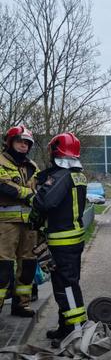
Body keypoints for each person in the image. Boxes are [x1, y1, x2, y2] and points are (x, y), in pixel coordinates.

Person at [30, 132, 88, 339]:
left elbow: (46, 203)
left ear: (55, 151)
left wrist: (36, 195)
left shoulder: (61, 176)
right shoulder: (77, 175)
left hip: (63, 241)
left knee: (67, 288)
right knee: (67, 285)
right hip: (73, 238)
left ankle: (75, 333)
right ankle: (66, 328)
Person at [0, 125, 39, 318]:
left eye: (27, 143)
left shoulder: (31, 166)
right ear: (10, 142)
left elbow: (44, 188)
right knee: (3, 268)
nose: (23, 145)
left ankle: (21, 305)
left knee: (29, 265)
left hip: (29, 224)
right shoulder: (0, 162)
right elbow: (6, 188)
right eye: (19, 141)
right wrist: (31, 194)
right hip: (5, 225)